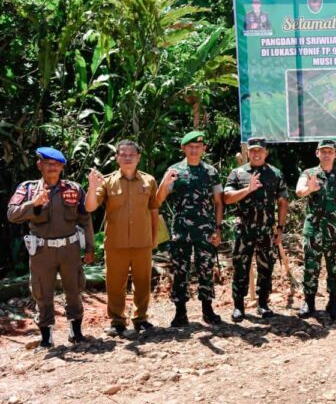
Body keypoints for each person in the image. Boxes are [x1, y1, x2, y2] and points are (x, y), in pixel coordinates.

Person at [7, 147, 95, 347]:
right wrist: (33, 204)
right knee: (42, 292)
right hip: (41, 251)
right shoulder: (28, 188)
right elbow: (11, 214)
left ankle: (76, 332)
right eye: (47, 163)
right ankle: (46, 337)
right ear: (39, 165)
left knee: (74, 289)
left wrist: (90, 248)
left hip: (70, 250)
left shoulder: (73, 189)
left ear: (62, 166)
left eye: (56, 164)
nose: (52, 167)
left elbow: (85, 219)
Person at [85, 140, 159, 337]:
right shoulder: (107, 182)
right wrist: (92, 187)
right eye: (123, 154)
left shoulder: (149, 181)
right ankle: (117, 321)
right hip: (116, 243)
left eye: (132, 154)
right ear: (117, 157)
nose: (128, 158)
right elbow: (90, 207)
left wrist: (154, 238)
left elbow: (153, 210)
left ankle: (141, 319)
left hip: (142, 241)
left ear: (138, 157)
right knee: (115, 283)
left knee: (143, 281)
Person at [156, 131, 224, 326]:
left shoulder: (211, 172)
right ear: (183, 148)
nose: (194, 150)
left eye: (198, 147)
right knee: (179, 271)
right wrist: (165, 183)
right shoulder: (174, 171)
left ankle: (207, 310)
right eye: (190, 147)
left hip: (205, 231)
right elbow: (159, 199)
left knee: (205, 269)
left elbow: (218, 202)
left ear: (203, 149)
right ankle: (180, 312)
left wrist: (218, 229)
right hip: (181, 231)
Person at [223, 138, 288, 322]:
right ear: (248, 153)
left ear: (266, 152)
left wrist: (280, 228)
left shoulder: (275, 174)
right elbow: (227, 198)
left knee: (266, 267)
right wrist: (248, 189)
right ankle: (238, 306)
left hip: (267, 230)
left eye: (260, 150)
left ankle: (263, 303)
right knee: (240, 267)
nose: (256, 154)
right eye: (253, 151)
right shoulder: (237, 173)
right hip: (243, 228)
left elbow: (283, 202)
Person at [295, 139, 336, 320]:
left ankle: (333, 303)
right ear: (317, 154)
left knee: (335, 268)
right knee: (311, 267)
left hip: (335, 231)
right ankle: (309, 302)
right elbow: (299, 191)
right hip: (313, 230)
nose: (327, 154)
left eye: (330, 151)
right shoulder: (309, 174)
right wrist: (309, 189)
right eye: (323, 151)